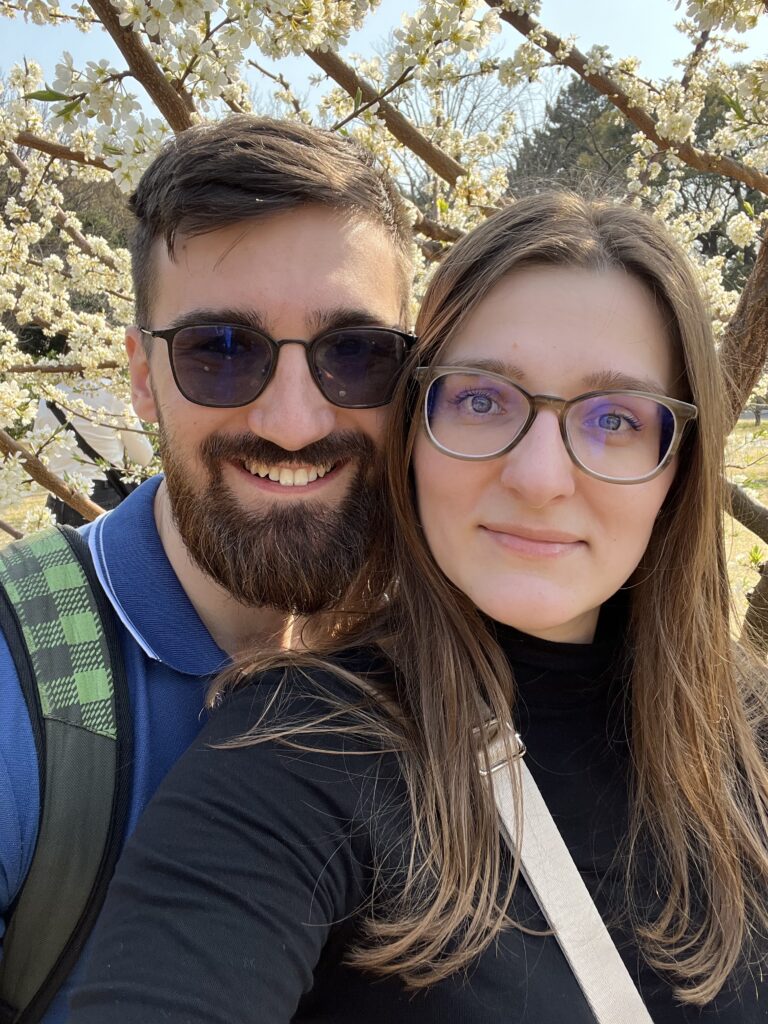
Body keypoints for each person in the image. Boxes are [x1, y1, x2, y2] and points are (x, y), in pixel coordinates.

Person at [69, 192, 768, 1022]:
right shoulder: (301, 754)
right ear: (414, 434)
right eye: (481, 400)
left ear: (679, 466)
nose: (540, 478)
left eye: (615, 418)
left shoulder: (752, 739)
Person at [0, 114, 414, 1022]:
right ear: (142, 376)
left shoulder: (440, 639)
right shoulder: (22, 687)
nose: (295, 422)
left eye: (356, 353)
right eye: (220, 351)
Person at [34, 379, 155, 526]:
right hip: (102, 498)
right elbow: (143, 457)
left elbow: (40, 451)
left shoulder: (47, 397)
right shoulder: (113, 393)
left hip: (57, 501)